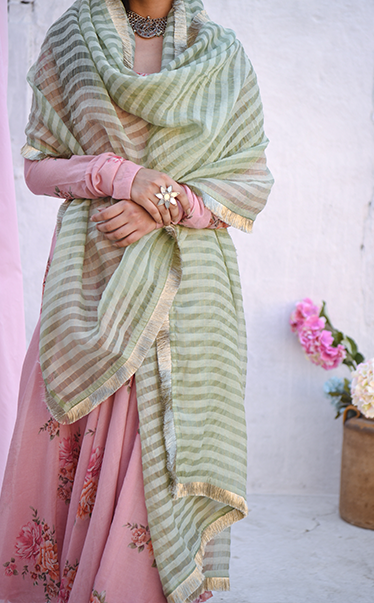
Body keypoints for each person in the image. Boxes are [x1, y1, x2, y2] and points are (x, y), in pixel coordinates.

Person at [0, 0, 273, 602]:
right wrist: (123, 177)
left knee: (154, 470)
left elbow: (249, 181)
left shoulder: (221, 56)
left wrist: (163, 205)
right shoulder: (72, 40)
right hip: (87, 293)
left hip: (184, 300)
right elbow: (39, 168)